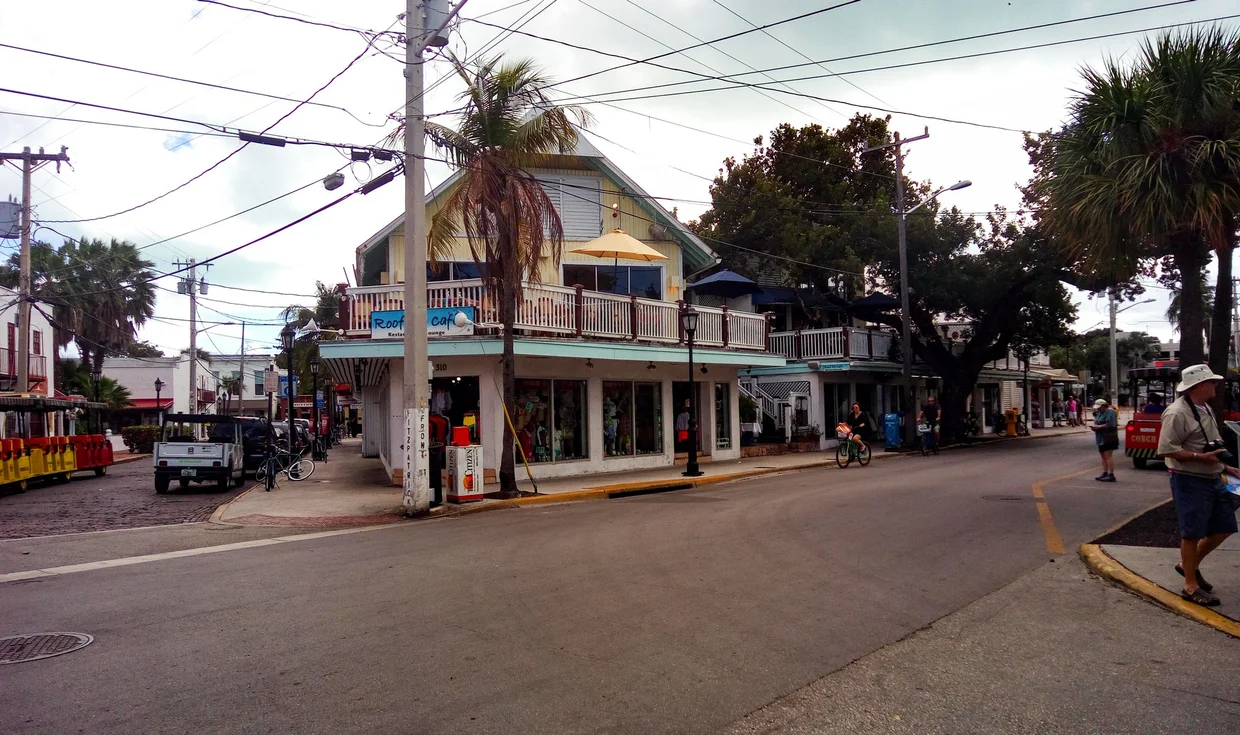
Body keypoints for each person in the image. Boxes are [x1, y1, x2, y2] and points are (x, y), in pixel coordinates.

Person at [1156, 364, 1239, 607]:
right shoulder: (1177, 413)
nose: (1215, 385)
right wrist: (1199, 458)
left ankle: (1186, 566)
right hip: (1189, 479)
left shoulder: (1205, 408)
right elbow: (1165, 449)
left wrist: (1224, 467)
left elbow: (1206, 443)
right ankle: (1190, 586)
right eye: (1211, 382)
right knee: (1191, 533)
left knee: (1224, 527)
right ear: (1199, 385)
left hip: (1212, 477)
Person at [1089, 397, 1118, 482]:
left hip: (1108, 436)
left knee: (1108, 456)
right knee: (1103, 456)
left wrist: (1099, 426)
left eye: (1099, 407)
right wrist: (1095, 427)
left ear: (1103, 406)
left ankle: (1111, 475)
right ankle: (1105, 472)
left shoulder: (1110, 412)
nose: (1098, 409)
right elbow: (1097, 421)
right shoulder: (1099, 413)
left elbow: (1110, 424)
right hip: (1100, 436)